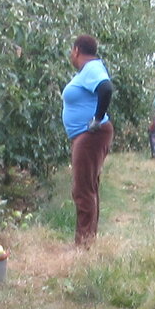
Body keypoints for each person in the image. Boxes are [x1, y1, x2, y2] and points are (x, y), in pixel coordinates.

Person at [62, 34, 114, 247]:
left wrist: (98, 118)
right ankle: (87, 240)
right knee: (87, 187)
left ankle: (83, 245)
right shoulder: (86, 72)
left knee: (83, 190)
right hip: (84, 135)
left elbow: (106, 88)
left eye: (71, 52)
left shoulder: (92, 68)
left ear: (76, 50)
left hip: (90, 134)